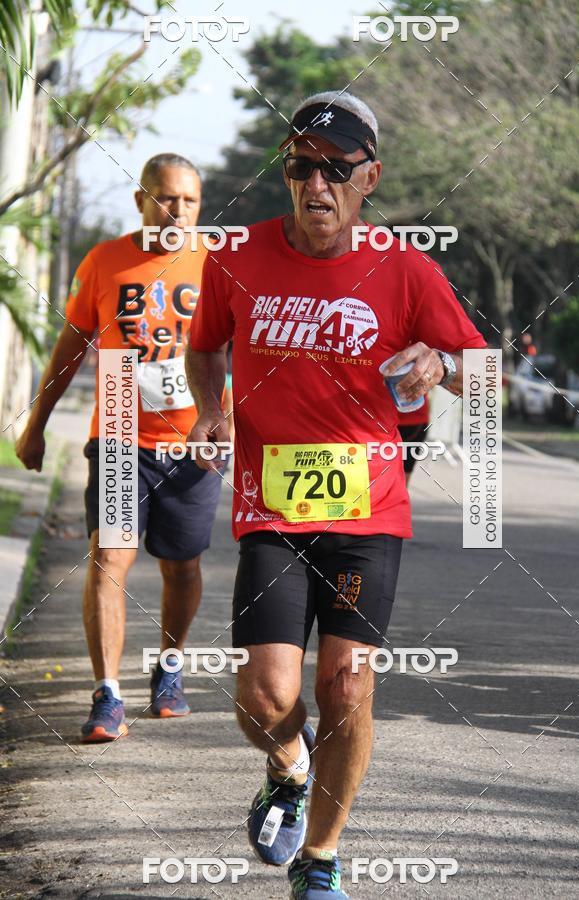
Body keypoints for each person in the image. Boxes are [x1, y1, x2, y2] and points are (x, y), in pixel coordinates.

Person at [186, 92, 486, 899]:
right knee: (265, 696)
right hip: (272, 511)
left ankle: (320, 858)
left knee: (346, 685)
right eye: (300, 167)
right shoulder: (235, 257)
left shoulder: (407, 269)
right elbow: (205, 346)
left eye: (334, 170)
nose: (315, 184)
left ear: (369, 178)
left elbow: (482, 370)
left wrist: (440, 364)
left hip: (367, 511)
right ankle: (289, 766)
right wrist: (212, 408)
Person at [16, 154, 229, 742]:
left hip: (192, 440)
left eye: (189, 200)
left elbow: (246, 351)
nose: (178, 210)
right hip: (117, 430)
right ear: (141, 200)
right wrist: (37, 424)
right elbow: (70, 348)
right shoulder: (105, 261)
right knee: (110, 556)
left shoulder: (216, 263)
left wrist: (234, 422)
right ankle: (107, 693)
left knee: (182, 565)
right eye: (166, 197)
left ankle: (169, 668)